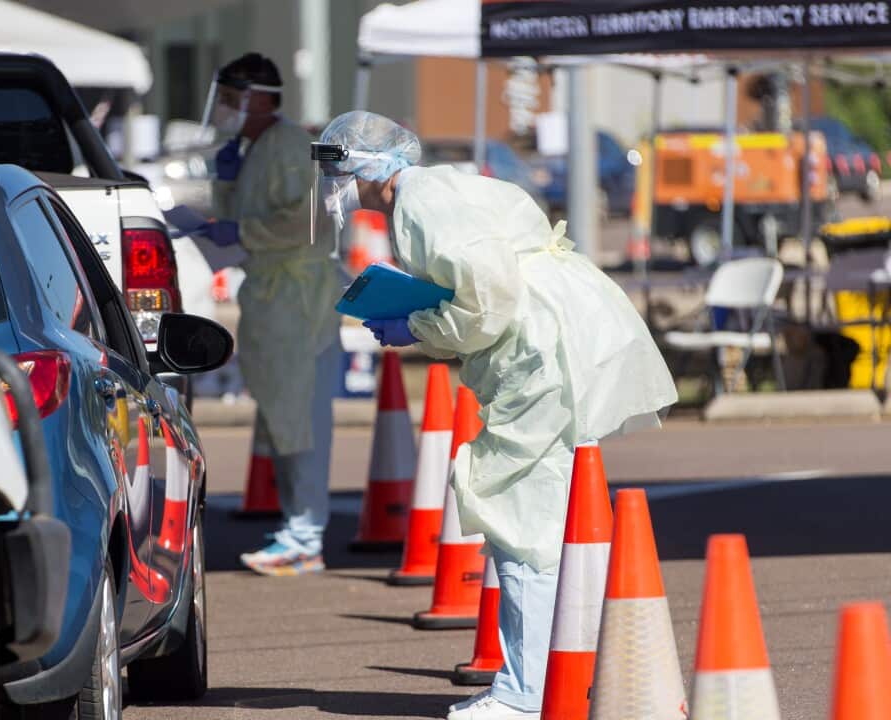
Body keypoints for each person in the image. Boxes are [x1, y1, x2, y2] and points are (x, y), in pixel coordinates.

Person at [312, 111, 677, 719]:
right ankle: (554, 679)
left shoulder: (421, 203)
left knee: (521, 523)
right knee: (540, 518)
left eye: (338, 169)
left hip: (534, 354)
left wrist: (417, 324)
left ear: (362, 167)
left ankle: (525, 694)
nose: (336, 188)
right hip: (543, 345)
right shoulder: (433, 191)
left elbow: (489, 297)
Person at [196, 53, 343, 576]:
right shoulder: (256, 147)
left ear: (259, 98)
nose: (227, 109)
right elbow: (247, 218)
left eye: (234, 98)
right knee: (284, 419)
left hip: (298, 301)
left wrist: (241, 231)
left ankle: (305, 534)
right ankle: (295, 527)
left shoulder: (291, 146)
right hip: (273, 297)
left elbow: (304, 224)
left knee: (299, 420)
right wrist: (228, 188)